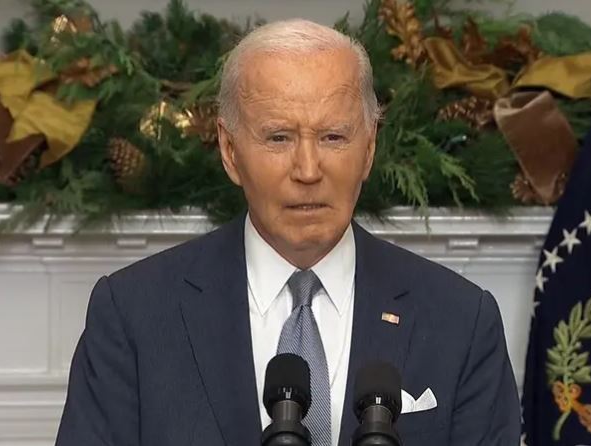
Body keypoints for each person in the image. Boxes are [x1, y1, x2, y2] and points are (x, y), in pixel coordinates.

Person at [56, 19, 520, 446]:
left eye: (333, 137)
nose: (308, 170)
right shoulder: (133, 314)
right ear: (230, 150)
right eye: (279, 137)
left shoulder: (461, 320)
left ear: (368, 149)